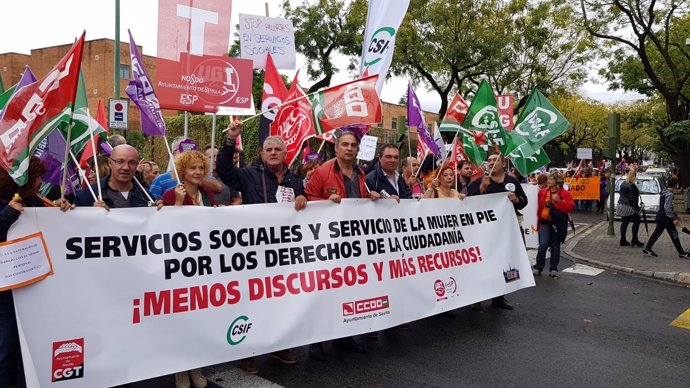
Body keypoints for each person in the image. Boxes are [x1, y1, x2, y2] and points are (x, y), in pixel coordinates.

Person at [217, 120, 303, 374]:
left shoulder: (294, 180)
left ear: (285, 154)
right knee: (253, 302)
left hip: (285, 252)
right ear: (262, 154)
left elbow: (303, 209)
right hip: (253, 252)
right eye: (269, 150)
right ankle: (248, 351)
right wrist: (230, 139)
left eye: (278, 149)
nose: (274, 153)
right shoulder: (248, 174)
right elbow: (223, 170)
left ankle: (279, 345)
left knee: (281, 301)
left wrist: (303, 198)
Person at [305, 128, 381, 361]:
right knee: (323, 292)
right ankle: (315, 341)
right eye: (345, 145)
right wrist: (324, 201)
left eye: (353, 145)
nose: (349, 149)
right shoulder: (322, 172)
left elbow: (360, 201)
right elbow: (307, 200)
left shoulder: (360, 173)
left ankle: (343, 336)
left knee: (347, 291)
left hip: (352, 244)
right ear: (336, 148)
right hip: (327, 245)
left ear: (357, 150)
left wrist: (374, 198)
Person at [0, 157, 73, 388]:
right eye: (37, 176)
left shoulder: (40, 203)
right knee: (7, 348)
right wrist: (7, 215)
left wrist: (65, 211)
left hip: (38, 287)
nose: (41, 181)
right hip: (6, 293)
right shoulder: (7, 204)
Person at [160, 151, 211, 388]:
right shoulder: (171, 194)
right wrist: (178, 205)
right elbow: (166, 229)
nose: (198, 172)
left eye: (201, 168)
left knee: (200, 318)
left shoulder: (206, 193)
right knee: (181, 319)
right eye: (192, 168)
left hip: (205, 264)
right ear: (182, 171)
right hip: (180, 265)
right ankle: (180, 370)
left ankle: (196, 367)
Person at [467, 151, 527, 310]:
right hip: (484, 233)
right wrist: (481, 189)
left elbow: (524, 201)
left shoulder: (512, 182)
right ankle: (478, 297)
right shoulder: (480, 181)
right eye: (489, 160)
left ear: (503, 163)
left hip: (505, 232)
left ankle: (499, 297)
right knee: (482, 264)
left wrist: (516, 199)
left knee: (503, 263)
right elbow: (468, 202)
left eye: (495, 160)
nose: (491, 163)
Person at [74, 145, 160, 209]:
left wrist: (160, 212)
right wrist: (91, 215)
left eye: (132, 162)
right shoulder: (88, 195)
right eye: (120, 161)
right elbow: (75, 227)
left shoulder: (147, 196)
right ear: (110, 163)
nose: (126, 167)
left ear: (137, 165)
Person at [149, 137, 222, 200]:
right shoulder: (161, 180)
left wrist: (197, 177)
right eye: (183, 149)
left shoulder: (201, 175)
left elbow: (218, 188)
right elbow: (153, 206)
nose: (188, 155)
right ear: (174, 154)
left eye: (191, 150)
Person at [534, 172, 575, 277]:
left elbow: (569, 208)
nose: (548, 181)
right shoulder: (542, 192)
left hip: (557, 224)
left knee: (555, 246)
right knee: (543, 244)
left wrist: (559, 201)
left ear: (557, 181)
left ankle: (553, 268)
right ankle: (539, 267)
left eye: (551, 179)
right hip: (545, 222)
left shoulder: (564, 193)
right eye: (548, 179)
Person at [643, 176, 690, 258]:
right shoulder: (670, 195)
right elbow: (667, 208)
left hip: (661, 217)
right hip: (666, 218)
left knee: (656, 233)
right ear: (675, 186)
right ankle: (681, 252)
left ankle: (647, 248)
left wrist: (675, 215)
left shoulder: (663, 192)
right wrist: (673, 217)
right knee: (674, 234)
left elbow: (665, 207)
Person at [616, 170, 644, 247]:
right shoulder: (632, 185)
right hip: (628, 206)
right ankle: (635, 240)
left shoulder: (623, 183)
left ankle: (623, 240)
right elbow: (632, 199)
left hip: (621, 205)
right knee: (637, 220)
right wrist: (637, 208)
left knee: (625, 222)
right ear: (634, 176)